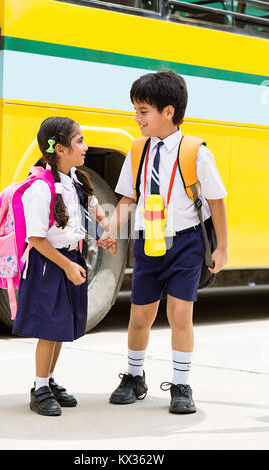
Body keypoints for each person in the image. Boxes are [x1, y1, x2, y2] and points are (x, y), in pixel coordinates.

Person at [98, 70, 228, 413]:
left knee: (179, 315)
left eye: (143, 111)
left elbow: (216, 201)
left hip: (186, 243)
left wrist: (222, 247)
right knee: (140, 314)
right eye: (137, 110)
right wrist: (111, 229)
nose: (137, 117)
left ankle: (181, 385)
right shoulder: (138, 150)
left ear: (168, 112)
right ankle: (133, 376)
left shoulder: (195, 152)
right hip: (148, 240)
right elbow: (127, 198)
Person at [12, 116, 116, 416]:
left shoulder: (76, 180)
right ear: (59, 149)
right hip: (49, 263)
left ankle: (49, 380)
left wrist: (107, 232)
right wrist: (67, 267)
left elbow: (95, 209)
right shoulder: (41, 188)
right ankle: (40, 386)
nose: (85, 146)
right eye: (80, 140)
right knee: (48, 328)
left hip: (70, 259)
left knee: (60, 326)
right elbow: (36, 238)